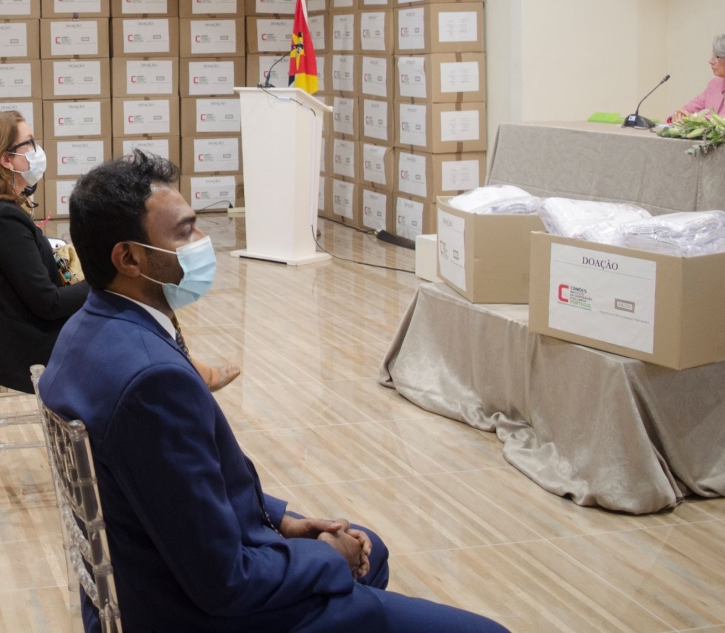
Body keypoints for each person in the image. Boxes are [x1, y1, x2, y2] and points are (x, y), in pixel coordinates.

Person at [38, 153, 508, 633]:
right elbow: (224, 581)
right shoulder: (152, 381)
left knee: (370, 549)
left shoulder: (85, 331)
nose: (203, 242)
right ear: (129, 258)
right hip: (189, 611)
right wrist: (325, 556)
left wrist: (282, 522)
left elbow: (186, 491)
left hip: (143, 575)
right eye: (184, 233)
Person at [0, 111, 89, 393]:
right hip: (31, 346)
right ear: (6, 159)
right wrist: (103, 282)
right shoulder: (2, 217)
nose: (37, 150)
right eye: (29, 143)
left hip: (14, 331)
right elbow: (48, 303)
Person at [670, 33, 725, 121]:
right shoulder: (714, 85)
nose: (711, 61)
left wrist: (693, 119)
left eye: (717, 57)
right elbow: (689, 109)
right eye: (712, 55)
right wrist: (679, 115)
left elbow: (722, 120)